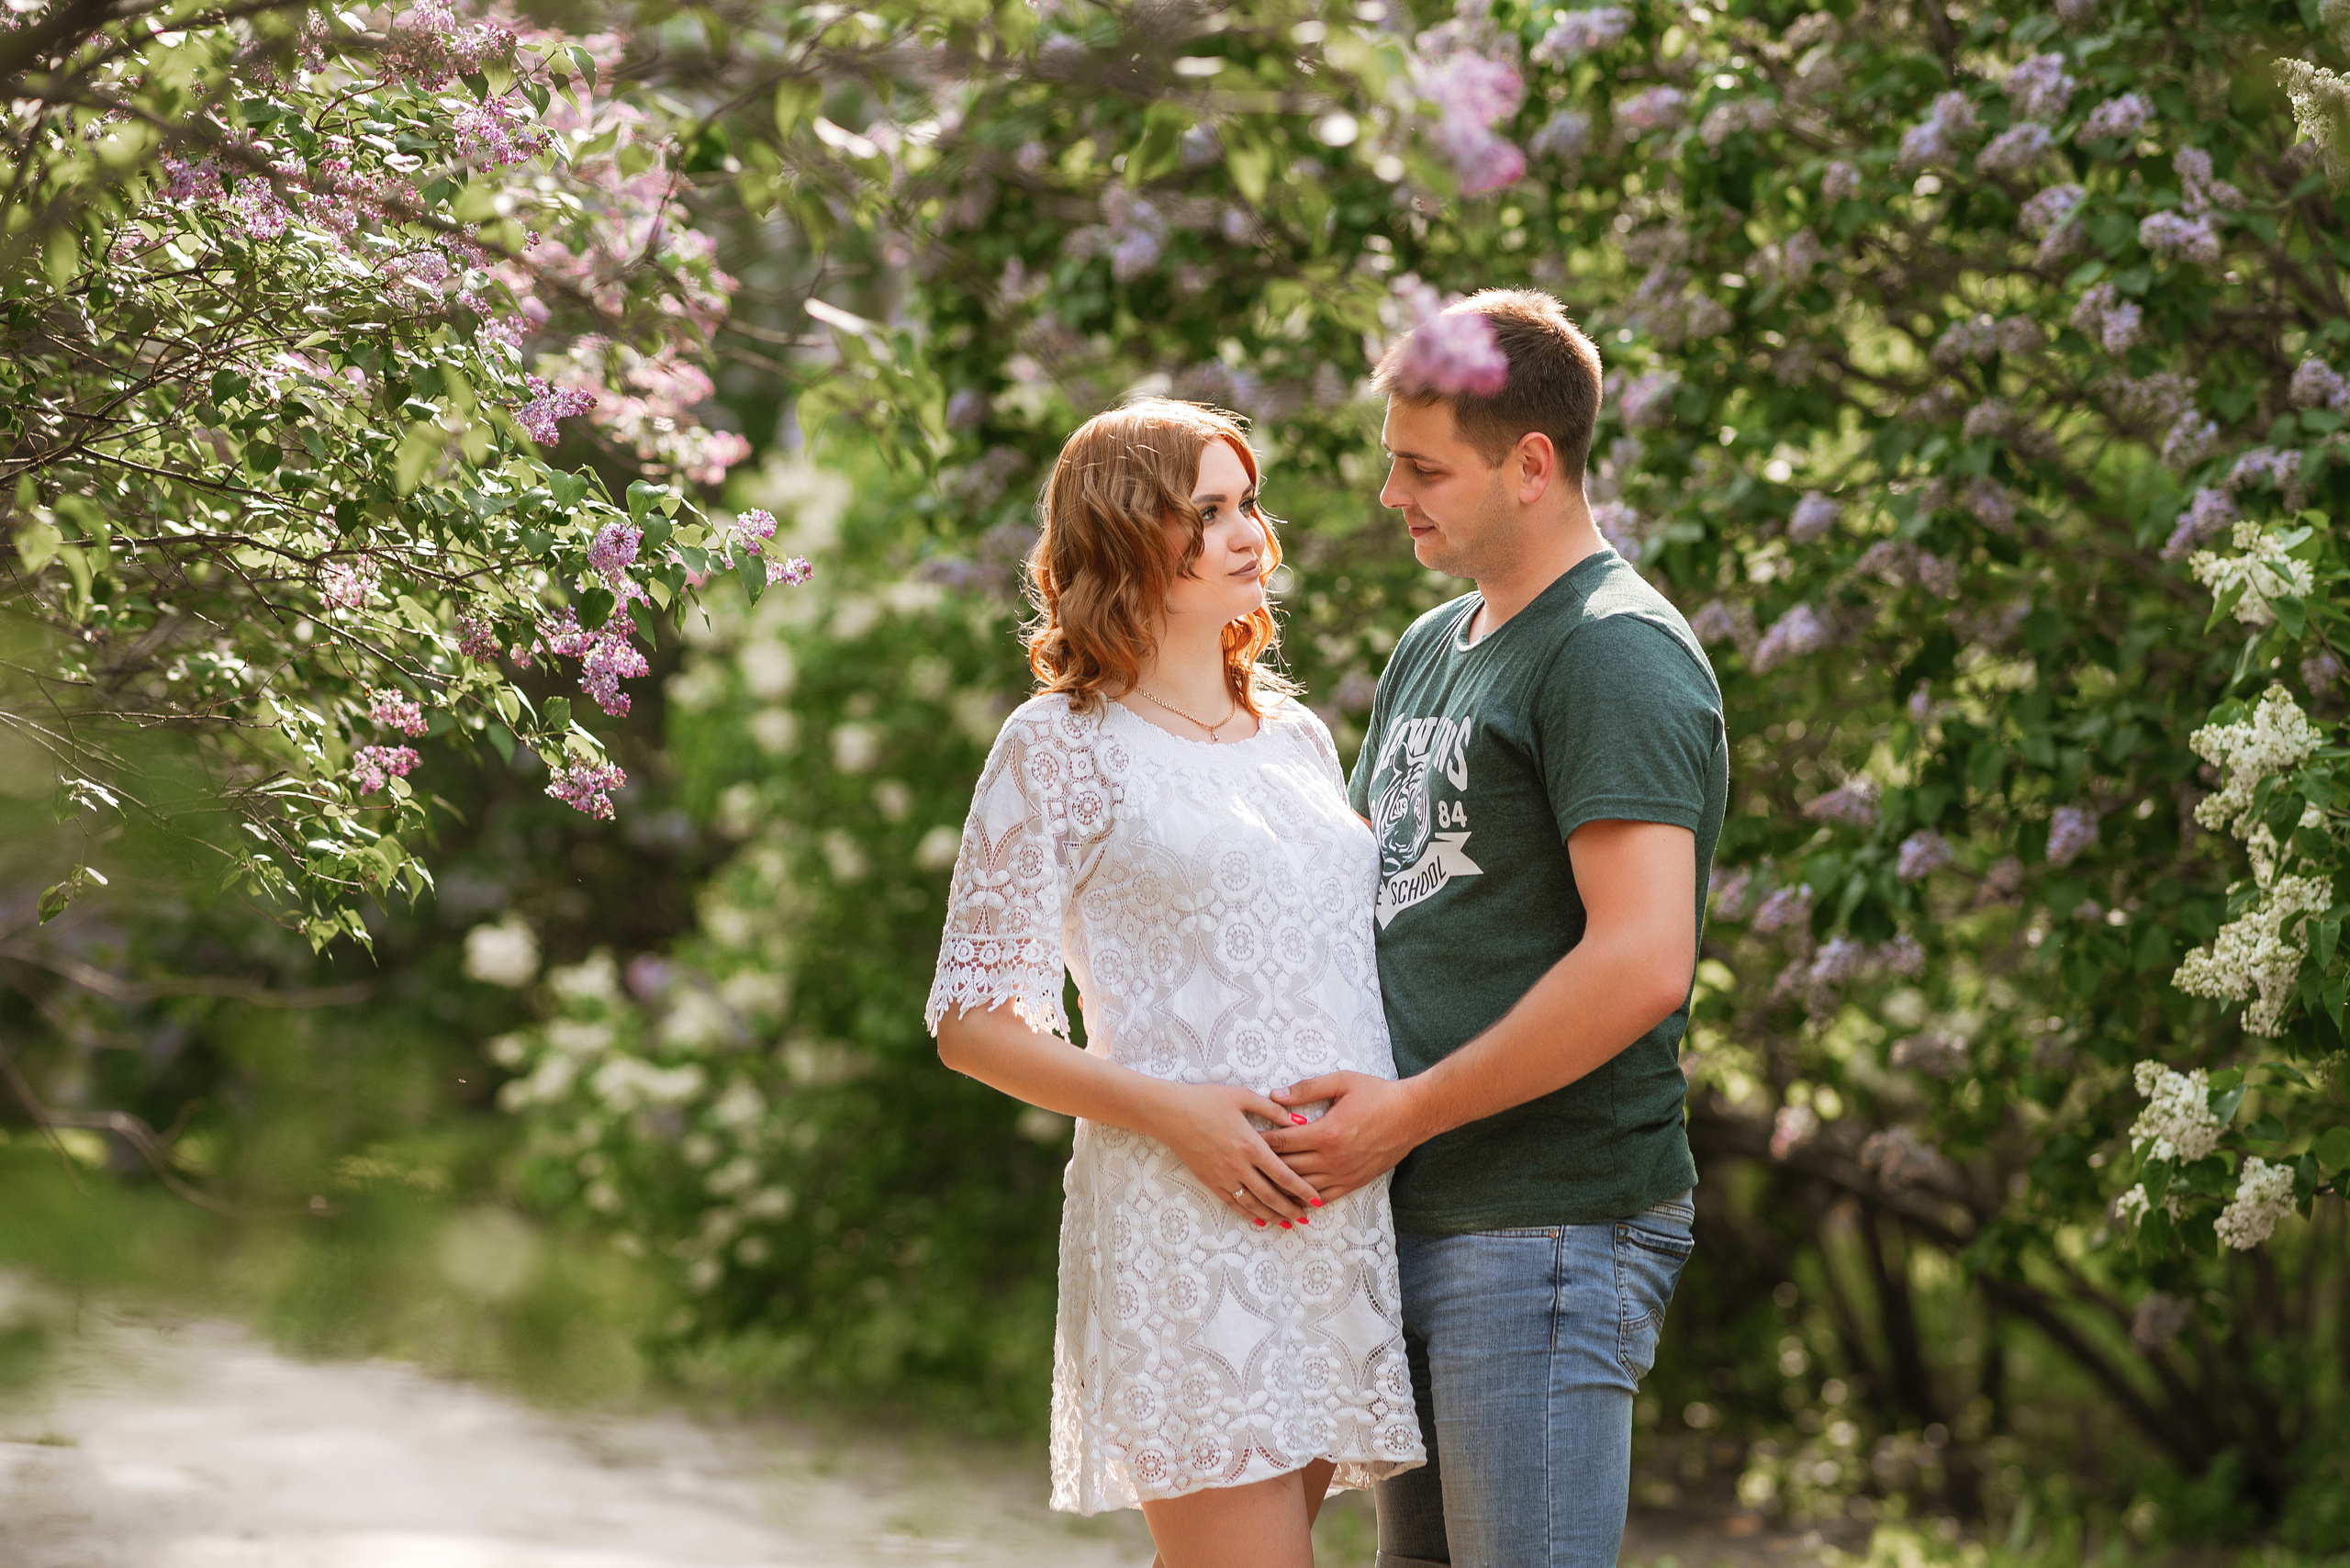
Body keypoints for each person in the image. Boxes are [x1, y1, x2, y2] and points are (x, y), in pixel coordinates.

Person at [1263, 289, 1729, 1568]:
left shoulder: (1614, 654)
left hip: (1550, 1224)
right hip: (1418, 1210)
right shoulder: (1434, 646)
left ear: (1532, 465)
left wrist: (1405, 1112)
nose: (1392, 496)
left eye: (1424, 470)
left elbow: (1641, 961)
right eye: (1389, 464)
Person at [925, 398, 1426, 1568]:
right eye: (1205, 512)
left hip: (1326, 1211)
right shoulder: (1057, 746)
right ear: (1124, 535)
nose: (1249, 531)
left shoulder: (1295, 738)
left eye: (1246, 501)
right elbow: (971, 1025)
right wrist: (1175, 1109)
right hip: (1185, 1213)